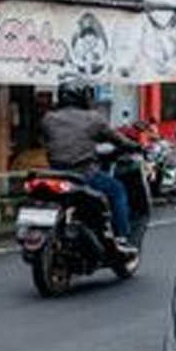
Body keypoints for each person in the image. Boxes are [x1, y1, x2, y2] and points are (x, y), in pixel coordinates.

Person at [40, 73, 142, 254]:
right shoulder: (93, 119)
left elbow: (49, 141)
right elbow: (119, 140)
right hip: (83, 174)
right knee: (117, 190)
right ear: (82, 96)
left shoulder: (48, 119)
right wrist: (137, 146)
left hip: (55, 175)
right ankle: (122, 237)